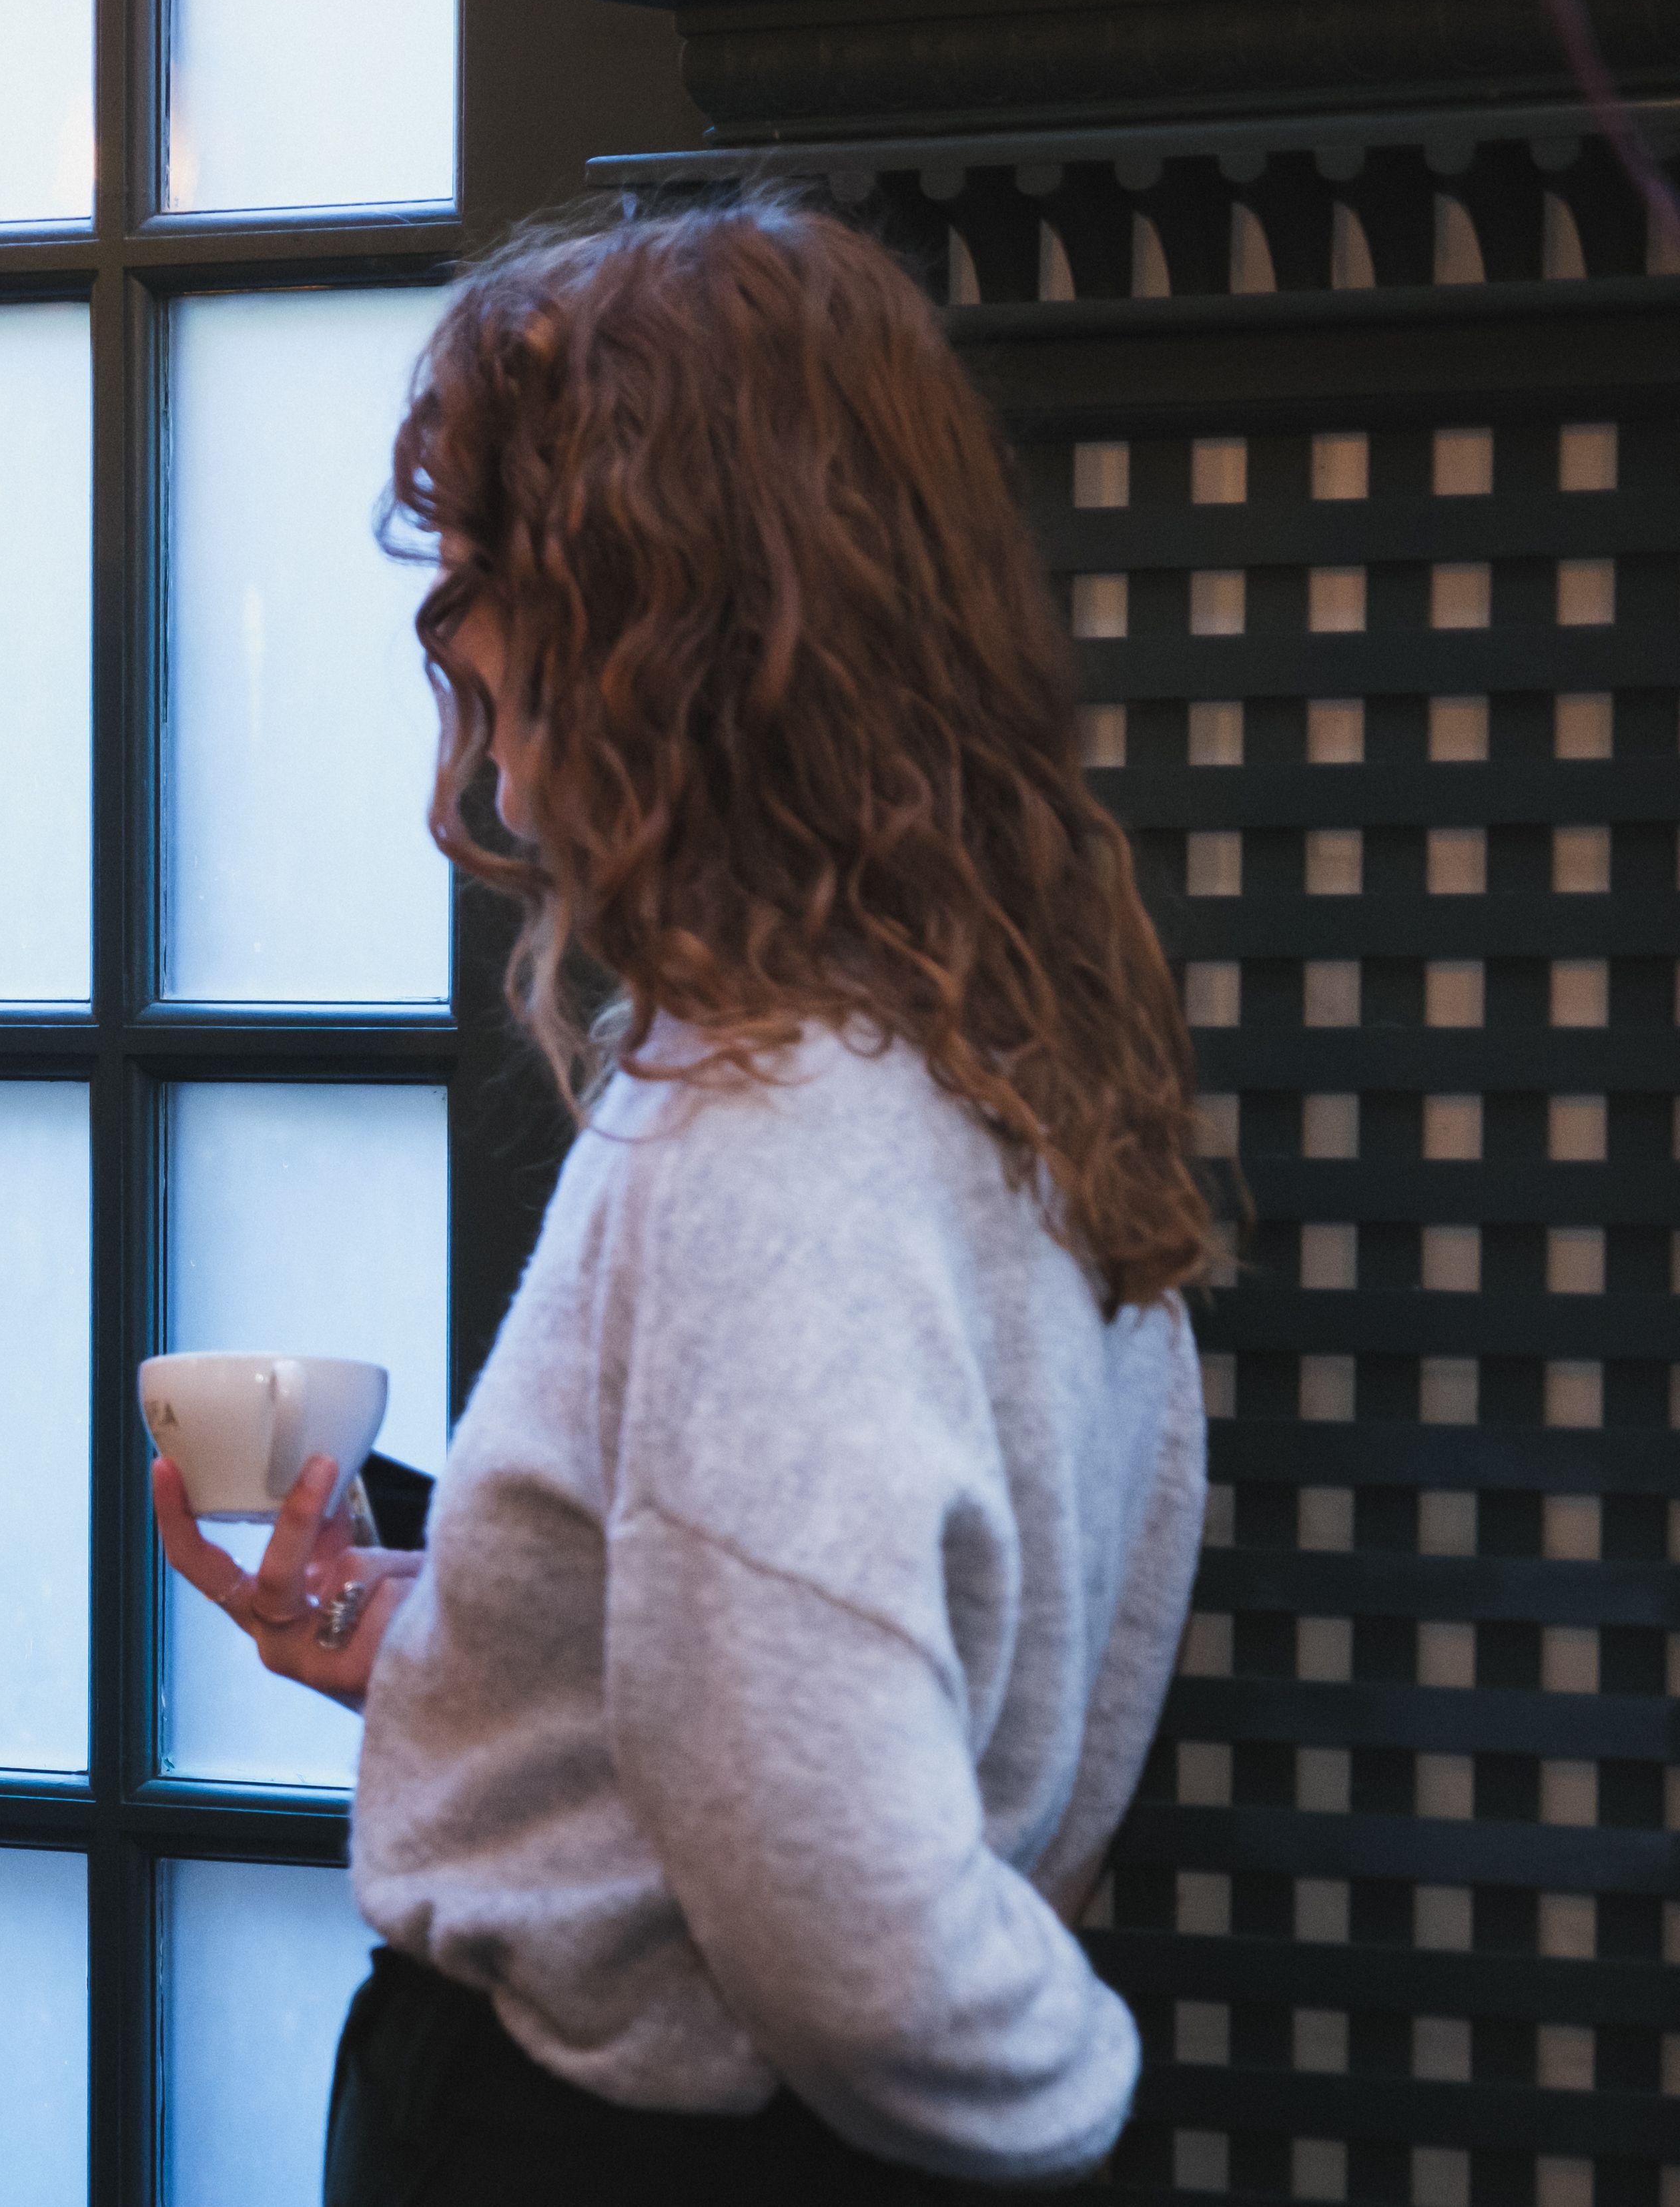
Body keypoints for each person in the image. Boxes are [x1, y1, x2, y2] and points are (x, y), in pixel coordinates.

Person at [154, 195, 1212, 2203]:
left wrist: (1083, 2096)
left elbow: (830, 1884)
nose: (447, 632)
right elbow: (811, 1684)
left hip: (621, 2147)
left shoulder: (777, 1131)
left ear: (670, 611)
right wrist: (462, 1645)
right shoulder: (980, 1058)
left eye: (486, 566)